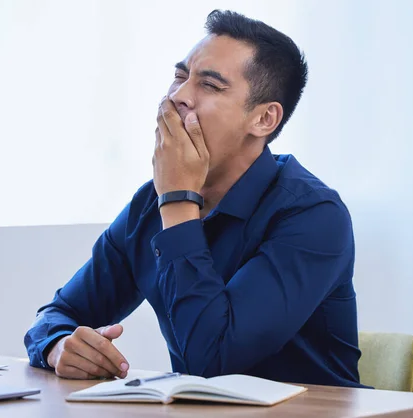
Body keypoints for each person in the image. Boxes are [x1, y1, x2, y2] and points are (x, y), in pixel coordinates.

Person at [24, 9, 365, 388]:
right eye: (179, 76)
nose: (179, 96)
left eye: (210, 85)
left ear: (264, 119)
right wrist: (58, 346)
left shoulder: (313, 215)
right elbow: (60, 313)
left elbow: (213, 362)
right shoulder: (149, 205)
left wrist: (179, 200)